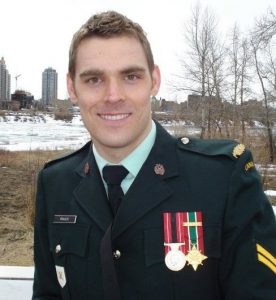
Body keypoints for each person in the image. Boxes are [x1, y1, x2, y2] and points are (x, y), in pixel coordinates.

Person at [32, 10, 276, 300]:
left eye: (131, 76)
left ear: (154, 80)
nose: (113, 96)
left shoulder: (223, 178)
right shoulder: (55, 183)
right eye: (94, 79)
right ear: (72, 88)